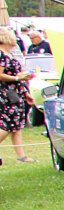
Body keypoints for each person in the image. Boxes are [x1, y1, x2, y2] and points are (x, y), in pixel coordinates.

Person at [0, 28, 36, 162]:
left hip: (16, 92)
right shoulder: (1, 55)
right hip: (6, 93)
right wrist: (16, 78)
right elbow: (0, 75)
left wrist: (25, 91)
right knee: (8, 124)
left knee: (17, 124)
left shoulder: (9, 54)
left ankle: (21, 156)